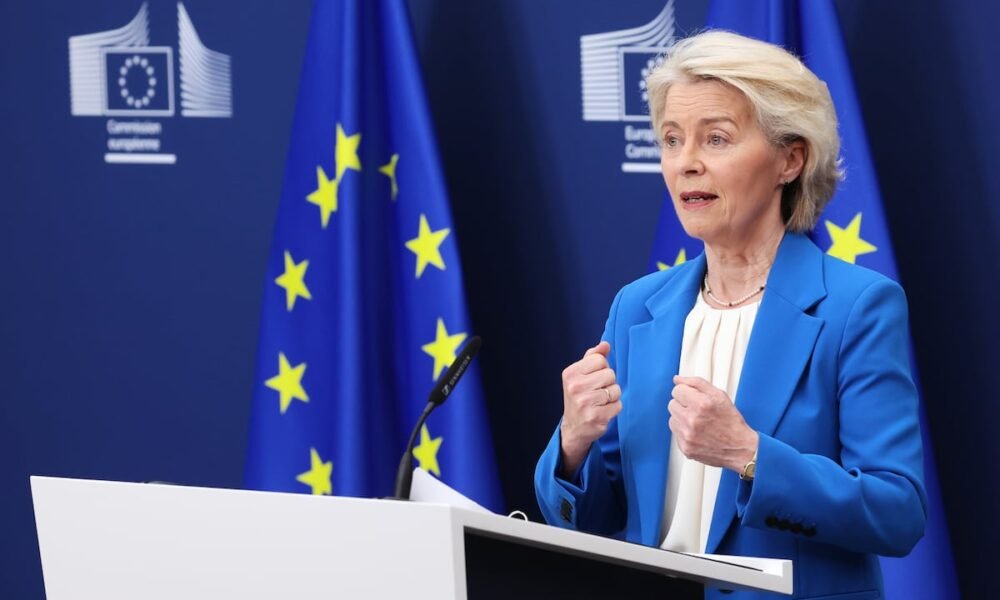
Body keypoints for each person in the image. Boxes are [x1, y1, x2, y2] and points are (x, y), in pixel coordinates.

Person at [535, 31, 926, 599]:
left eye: (716, 139)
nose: (686, 164)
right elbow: (595, 517)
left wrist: (748, 454)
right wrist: (573, 442)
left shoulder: (856, 306)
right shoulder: (637, 307)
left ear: (790, 159)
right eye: (672, 140)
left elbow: (896, 511)